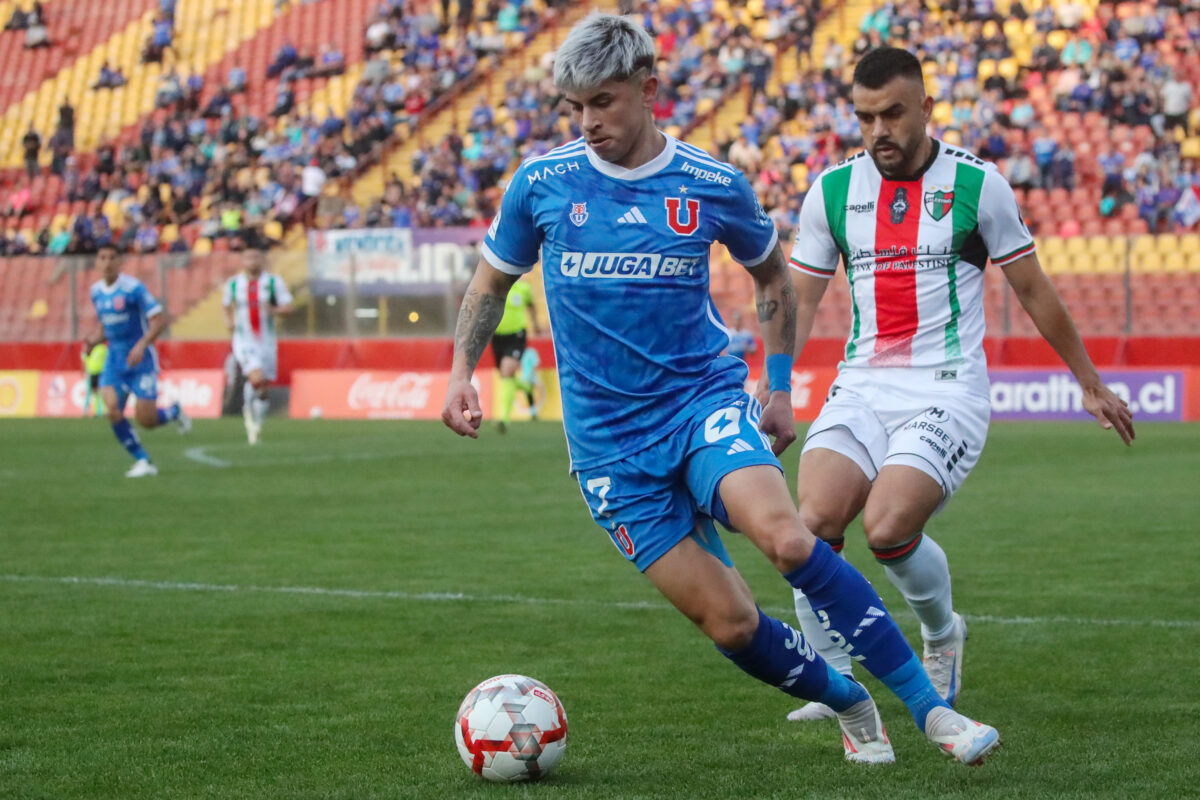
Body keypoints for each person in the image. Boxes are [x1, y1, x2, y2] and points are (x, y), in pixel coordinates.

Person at [443, 14, 1000, 767]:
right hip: (609, 450)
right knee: (733, 626)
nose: (589, 122)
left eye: (603, 102)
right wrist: (459, 374)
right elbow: (489, 283)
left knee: (788, 537)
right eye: (575, 108)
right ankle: (849, 700)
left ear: (648, 89)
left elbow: (772, 275)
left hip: (702, 407)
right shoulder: (542, 185)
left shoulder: (709, 183)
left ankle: (934, 714)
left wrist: (775, 388)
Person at [782, 47, 1134, 723]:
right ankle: (834, 681)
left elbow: (1032, 287)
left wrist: (1088, 382)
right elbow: (798, 302)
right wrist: (771, 388)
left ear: (925, 108)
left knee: (887, 529)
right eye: (864, 117)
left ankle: (942, 634)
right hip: (861, 385)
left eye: (892, 114)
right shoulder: (832, 191)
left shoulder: (977, 185)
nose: (878, 130)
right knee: (811, 527)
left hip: (947, 389)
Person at [84, 244, 191, 477]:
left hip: (140, 361)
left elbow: (160, 319)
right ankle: (143, 460)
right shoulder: (96, 292)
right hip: (114, 361)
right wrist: (93, 340)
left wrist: (142, 345)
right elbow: (106, 324)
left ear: (120, 261)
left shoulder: (133, 289)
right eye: (103, 257)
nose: (108, 261)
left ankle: (173, 412)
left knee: (147, 420)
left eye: (112, 257)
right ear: (97, 263)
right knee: (112, 410)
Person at [222, 245, 294, 444]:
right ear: (243, 261)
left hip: (267, 342)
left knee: (263, 389)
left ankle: (257, 425)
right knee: (256, 377)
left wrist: (273, 310)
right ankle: (248, 412)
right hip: (244, 340)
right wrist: (228, 321)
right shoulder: (234, 284)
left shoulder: (272, 282)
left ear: (261, 259)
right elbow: (226, 306)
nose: (252, 261)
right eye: (248, 257)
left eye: (255, 257)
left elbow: (288, 307)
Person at [489, 275, 541, 432]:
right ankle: (526, 387)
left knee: (506, 371)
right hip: (497, 336)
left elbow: (531, 306)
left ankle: (503, 418)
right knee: (506, 376)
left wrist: (536, 324)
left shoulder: (523, 288)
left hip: (516, 335)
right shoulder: (495, 286)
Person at [82, 340, 108, 417]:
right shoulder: (102, 349)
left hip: (96, 373)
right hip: (95, 373)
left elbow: (85, 361)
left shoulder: (96, 349)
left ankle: (98, 411)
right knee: (96, 393)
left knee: (95, 393)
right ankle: (97, 411)